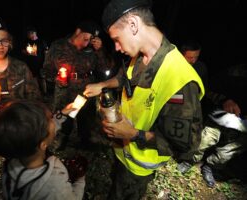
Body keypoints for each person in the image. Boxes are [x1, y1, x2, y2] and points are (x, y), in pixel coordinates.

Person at [83, 0, 204, 199]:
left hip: (138, 167)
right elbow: (125, 79)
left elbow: (184, 146)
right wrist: (102, 85)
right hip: (122, 151)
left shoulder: (179, 79)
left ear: (133, 24)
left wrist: (133, 133)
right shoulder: (139, 55)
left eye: (116, 39)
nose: (117, 47)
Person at [0, 100, 85, 200]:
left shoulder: (12, 161)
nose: (52, 120)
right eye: (50, 119)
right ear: (43, 144)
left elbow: (39, 132)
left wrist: (62, 114)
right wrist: (80, 179)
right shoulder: (53, 186)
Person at [177, 40, 242, 187]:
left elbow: (204, 88)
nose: (193, 61)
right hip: (219, 115)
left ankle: (209, 167)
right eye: (189, 57)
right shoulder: (237, 72)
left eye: (196, 57)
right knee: (204, 140)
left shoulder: (200, 67)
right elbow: (211, 87)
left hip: (242, 123)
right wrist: (224, 99)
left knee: (228, 151)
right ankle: (188, 160)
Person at [43, 19, 114, 150]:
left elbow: (106, 67)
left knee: (87, 118)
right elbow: (46, 71)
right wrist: (56, 78)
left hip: (86, 88)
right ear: (78, 31)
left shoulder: (93, 49)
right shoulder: (58, 46)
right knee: (64, 115)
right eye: (85, 38)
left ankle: (86, 140)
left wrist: (100, 50)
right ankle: (61, 139)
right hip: (64, 89)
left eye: (90, 40)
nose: (86, 43)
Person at [20, 26, 49, 96]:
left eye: (29, 34)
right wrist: (26, 52)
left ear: (34, 33)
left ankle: (45, 93)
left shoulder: (41, 41)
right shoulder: (27, 42)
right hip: (30, 63)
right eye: (27, 34)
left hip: (41, 63)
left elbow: (46, 52)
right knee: (33, 78)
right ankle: (37, 92)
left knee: (42, 78)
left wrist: (46, 62)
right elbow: (22, 51)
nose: (28, 35)